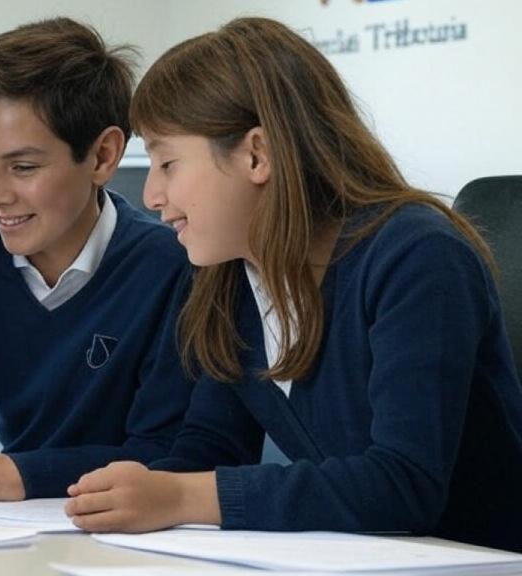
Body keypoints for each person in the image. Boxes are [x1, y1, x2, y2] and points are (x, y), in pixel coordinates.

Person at [64, 17, 522, 553]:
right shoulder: (231, 275)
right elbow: (209, 448)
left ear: (257, 154)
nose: (151, 195)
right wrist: (123, 499)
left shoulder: (418, 255)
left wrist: (180, 497)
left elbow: (402, 485)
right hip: (365, 558)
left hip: (476, 558)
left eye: (167, 162)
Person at [0, 17, 194, 503]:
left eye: (23, 167)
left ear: (102, 156)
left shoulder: (170, 265)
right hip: (17, 522)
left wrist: (24, 473)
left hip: (139, 522)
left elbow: (163, 450)